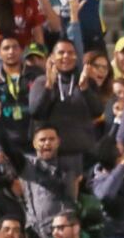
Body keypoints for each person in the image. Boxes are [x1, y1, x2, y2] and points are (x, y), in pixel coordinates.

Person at [28, 39, 105, 169]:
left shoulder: (86, 81)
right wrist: (48, 86)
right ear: (52, 57)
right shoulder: (41, 82)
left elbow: (97, 111)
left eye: (70, 53)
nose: (66, 56)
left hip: (83, 155)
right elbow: (35, 111)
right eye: (61, 52)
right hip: (52, 156)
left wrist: (85, 89)